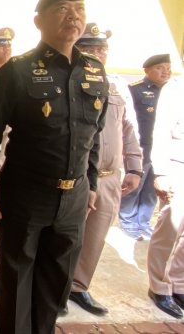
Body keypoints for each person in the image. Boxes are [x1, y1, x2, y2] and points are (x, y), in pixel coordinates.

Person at [0, 0, 108, 333]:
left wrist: (91, 184)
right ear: (39, 21)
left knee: (54, 284)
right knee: (17, 279)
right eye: (62, 8)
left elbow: (94, 135)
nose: (73, 16)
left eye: (78, 9)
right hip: (26, 194)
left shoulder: (94, 71)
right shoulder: (17, 70)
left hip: (74, 198)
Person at [66, 23, 142, 316]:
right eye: (89, 49)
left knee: (96, 237)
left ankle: (79, 287)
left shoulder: (116, 85)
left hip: (110, 178)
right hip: (77, 177)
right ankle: (56, 288)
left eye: (102, 49)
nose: (97, 54)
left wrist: (134, 167)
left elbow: (129, 127)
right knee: (67, 237)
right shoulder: (69, 83)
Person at [120, 53, 172, 240]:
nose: (165, 71)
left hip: (161, 147)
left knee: (152, 187)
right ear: (147, 70)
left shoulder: (171, 91)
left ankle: (143, 222)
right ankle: (127, 221)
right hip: (140, 146)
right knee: (135, 185)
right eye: (160, 67)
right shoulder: (135, 90)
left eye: (168, 67)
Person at [146, 73, 184, 318]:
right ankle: (159, 286)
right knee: (169, 228)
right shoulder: (176, 87)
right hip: (177, 165)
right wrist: (160, 172)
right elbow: (160, 131)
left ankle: (179, 282)